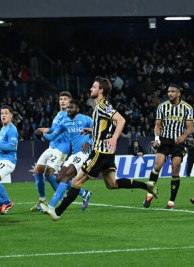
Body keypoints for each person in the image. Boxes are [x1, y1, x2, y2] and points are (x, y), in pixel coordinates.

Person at [41, 76, 158, 221]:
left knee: (76, 182)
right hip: (107, 153)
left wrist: (115, 138)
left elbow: (121, 120)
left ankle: (57, 212)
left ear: (101, 90)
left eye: (94, 87)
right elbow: (107, 125)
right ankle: (146, 185)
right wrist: (92, 131)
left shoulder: (103, 105)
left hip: (99, 153)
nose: (91, 89)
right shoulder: (101, 107)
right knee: (112, 184)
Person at [143, 84, 194, 209]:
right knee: (157, 165)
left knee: (175, 167)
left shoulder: (187, 108)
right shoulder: (162, 107)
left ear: (178, 93)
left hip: (178, 141)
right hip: (164, 140)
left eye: (172, 91)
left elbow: (190, 126)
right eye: (168, 91)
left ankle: (171, 201)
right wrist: (156, 139)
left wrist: (184, 136)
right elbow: (158, 125)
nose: (170, 94)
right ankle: (149, 193)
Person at [41, 100, 93, 211]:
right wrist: (42, 133)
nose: (68, 109)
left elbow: (99, 132)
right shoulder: (65, 121)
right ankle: (84, 193)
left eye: (71, 107)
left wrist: (89, 142)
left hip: (84, 153)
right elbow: (52, 136)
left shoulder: (86, 119)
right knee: (59, 178)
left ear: (77, 109)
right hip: (73, 154)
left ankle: (51, 206)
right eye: (68, 108)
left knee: (66, 177)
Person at [30, 91, 72, 211]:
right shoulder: (59, 113)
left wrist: (45, 132)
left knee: (50, 175)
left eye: (65, 99)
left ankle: (62, 199)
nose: (62, 101)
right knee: (37, 171)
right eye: (61, 99)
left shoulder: (69, 115)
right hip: (52, 146)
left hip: (61, 148)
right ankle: (42, 200)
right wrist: (45, 131)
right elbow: (54, 130)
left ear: (69, 101)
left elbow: (55, 131)